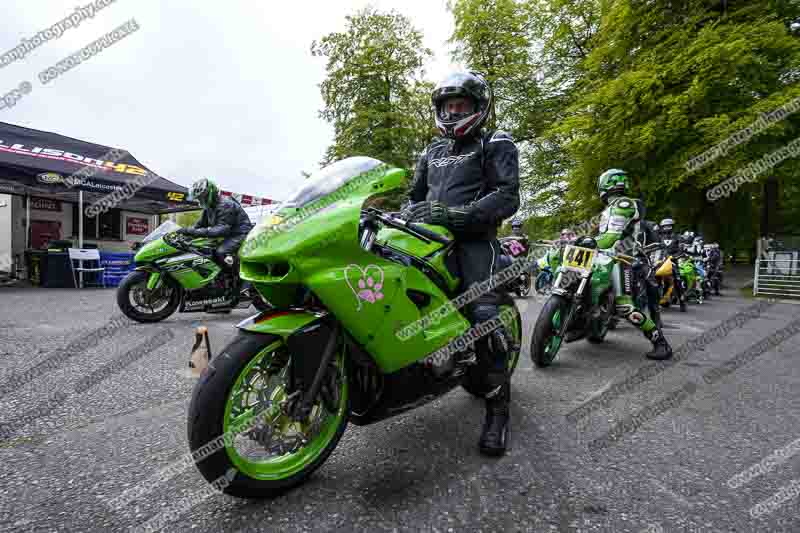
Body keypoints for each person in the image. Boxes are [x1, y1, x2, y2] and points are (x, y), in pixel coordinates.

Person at [402, 70, 520, 456]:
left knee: (483, 315)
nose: (453, 112)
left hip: (475, 242)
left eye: (461, 105)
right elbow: (413, 196)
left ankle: (498, 412)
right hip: (427, 240)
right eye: (448, 106)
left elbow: (507, 196)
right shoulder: (432, 152)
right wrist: (402, 214)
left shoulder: (495, 142)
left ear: (479, 107)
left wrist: (456, 216)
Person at [593, 168, 672, 360]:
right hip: (604, 258)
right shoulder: (609, 209)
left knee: (626, 307)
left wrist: (589, 242)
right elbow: (603, 237)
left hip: (622, 259)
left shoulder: (624, 203)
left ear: (604, 185)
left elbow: (611, 237)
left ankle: (660, 343)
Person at [177, 178, 254, 273]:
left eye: (201, 197)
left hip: (240, 234)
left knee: (221, 251)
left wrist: (191, 231)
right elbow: (199, 225)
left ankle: (235, 276)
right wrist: (183, 233)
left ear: (209, 195)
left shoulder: (225, 204)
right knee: (204, 249)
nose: (199, 200)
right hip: (229, 234)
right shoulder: (209, 207)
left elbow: (222, 229)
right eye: (198, 198)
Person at [658, 218, 687, 312]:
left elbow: (681, 250)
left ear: (672, 227)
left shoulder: (678, 237)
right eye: (665, 226)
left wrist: (675, 257)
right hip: (659, 261)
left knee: (677, 280)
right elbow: (654, 248)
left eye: (669, 226)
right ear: (662, 227)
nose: (667, 228)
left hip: (672, 261)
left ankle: (682, 301)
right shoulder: (658, 237)